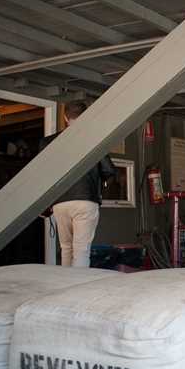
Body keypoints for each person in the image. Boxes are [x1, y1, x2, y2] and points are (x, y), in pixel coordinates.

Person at [40, 101, 115, 267]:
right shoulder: (93, 139)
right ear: (86, 117)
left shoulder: (47, 143)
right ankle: (78, 289)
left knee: (66, 248)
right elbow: (109, 170)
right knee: (81, 250)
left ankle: (66, 287)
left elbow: (42, 175)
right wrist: (100, 186)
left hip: (60, 202)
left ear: (66, 117)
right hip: (86, 200)